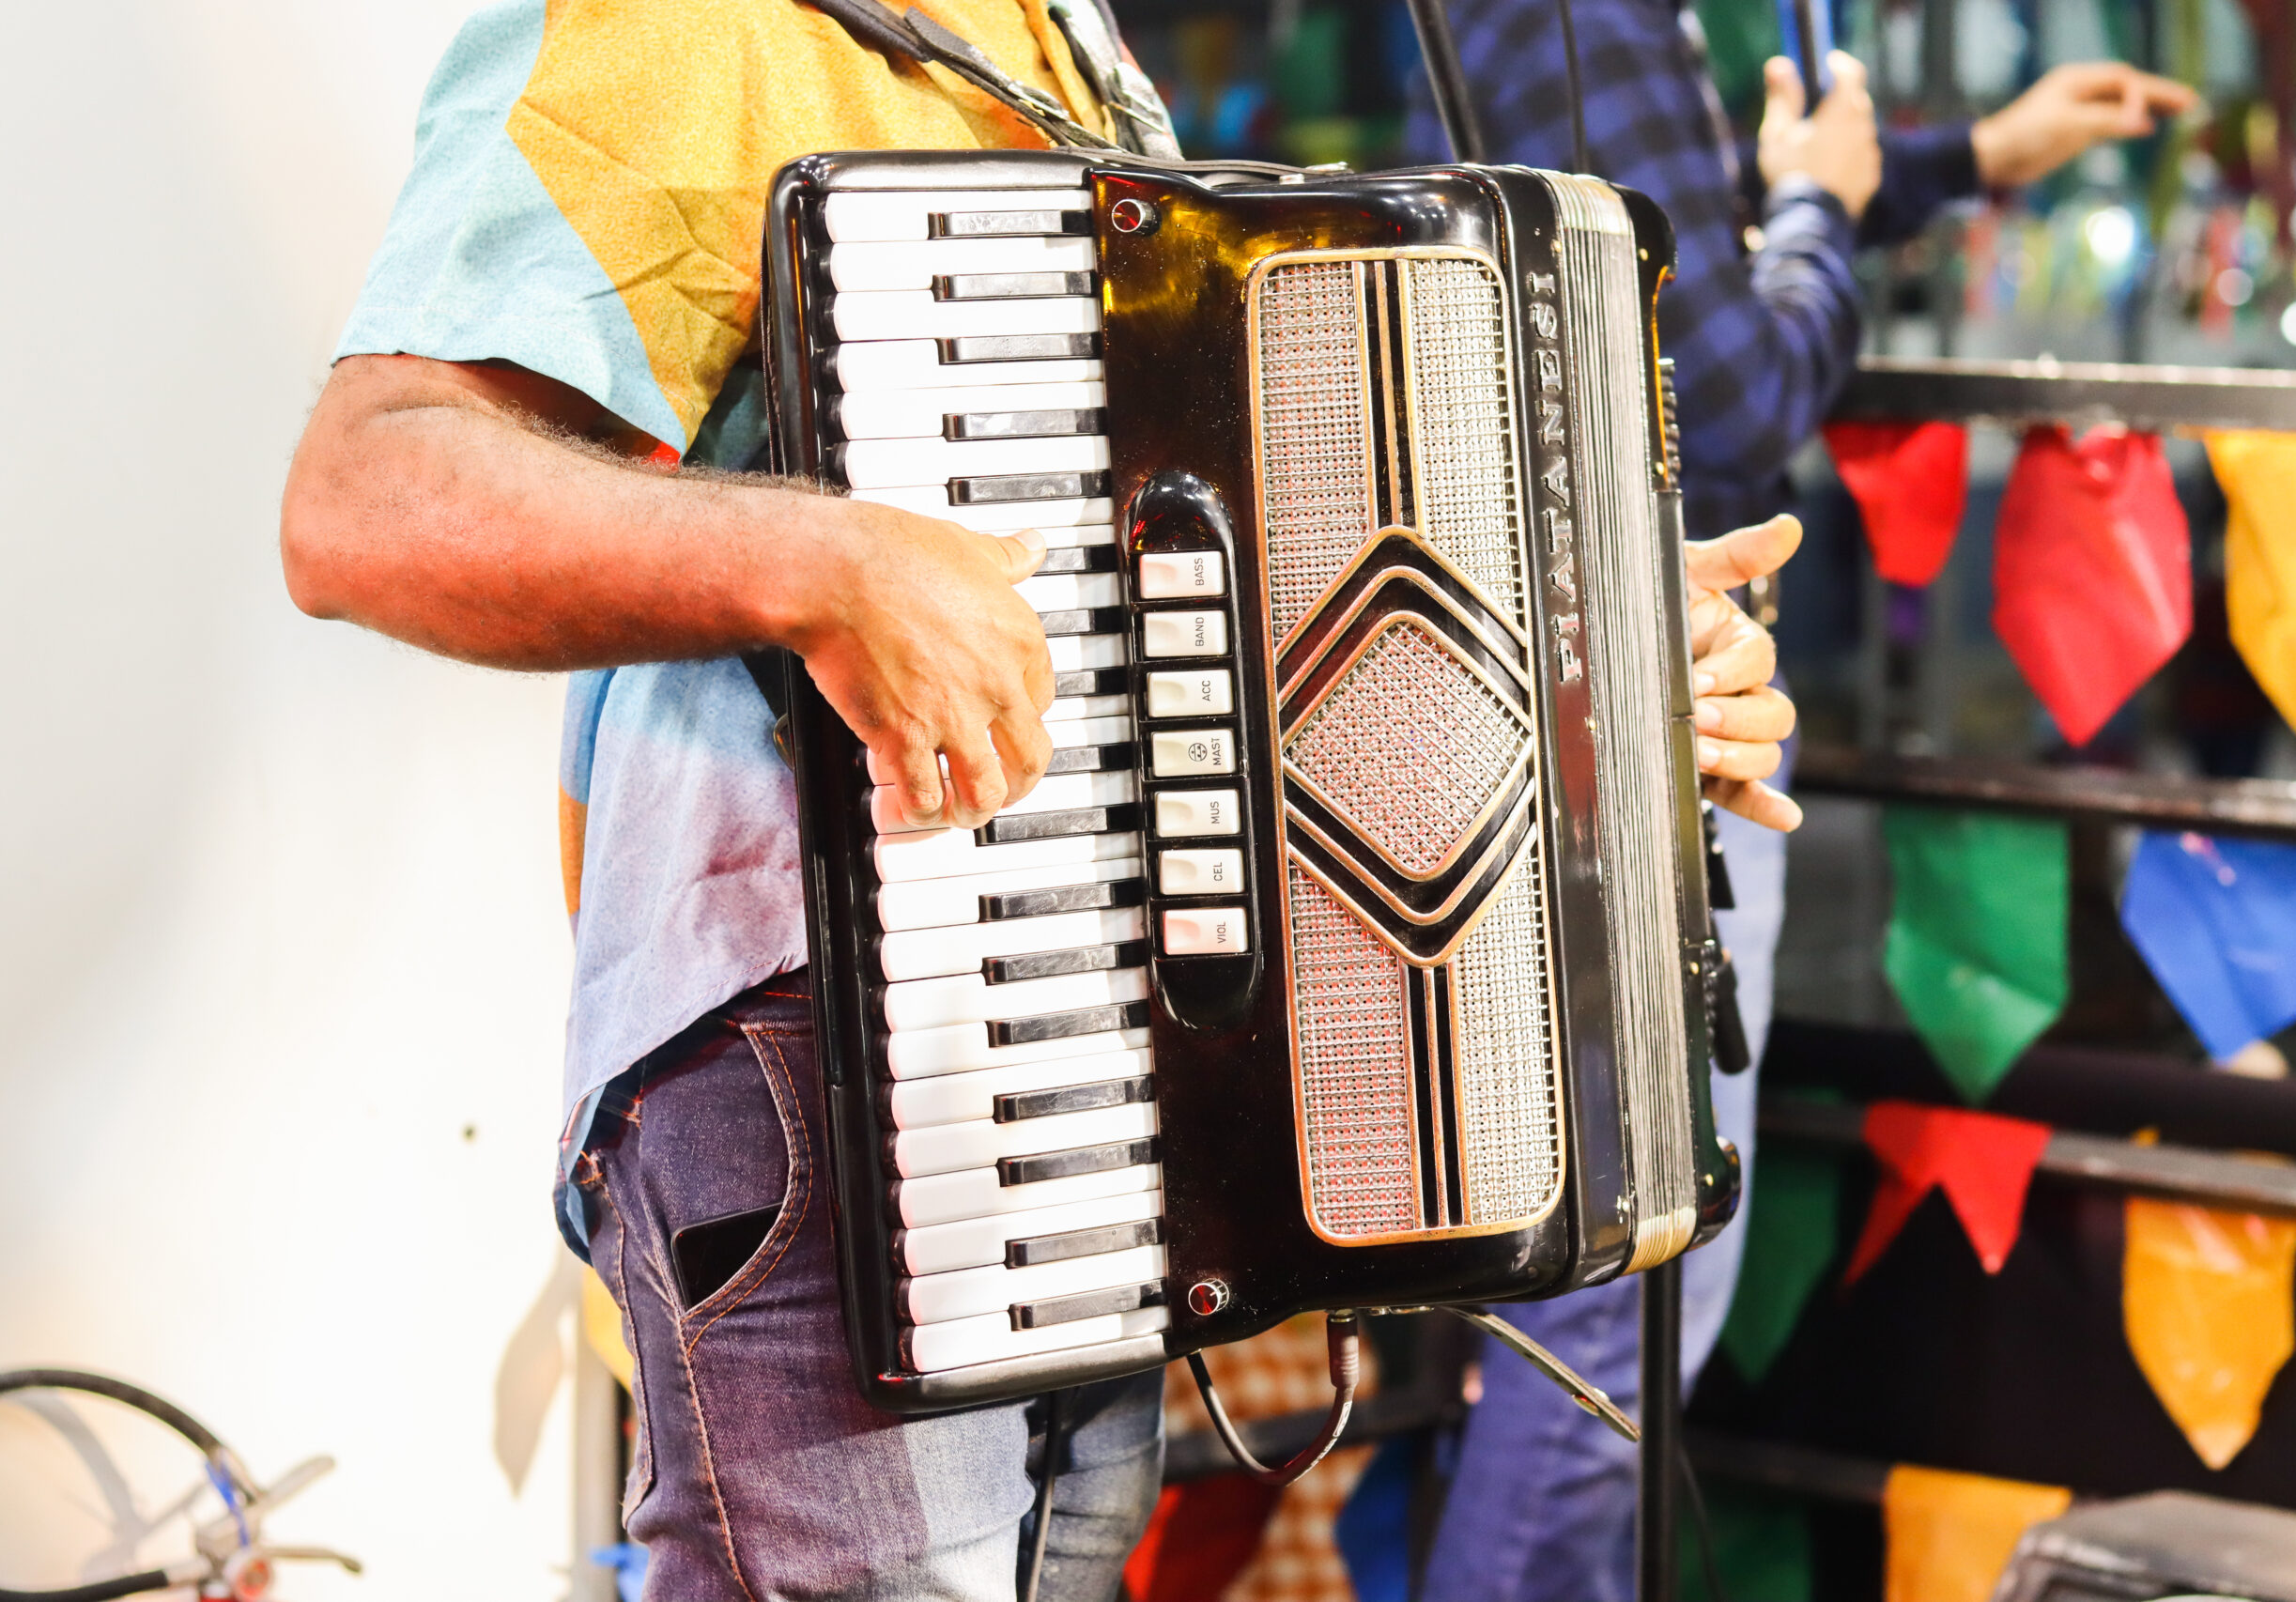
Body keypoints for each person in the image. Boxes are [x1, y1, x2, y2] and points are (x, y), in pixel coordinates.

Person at [279, 2, 1801, 1596]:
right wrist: (822, 562)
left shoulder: (1066, 38)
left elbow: (1212, 594)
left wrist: (1595, 673)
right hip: (816, 1067)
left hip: (1081, 1097)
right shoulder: (699, 23)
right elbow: (366, 492)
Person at [1404, 12, 2195, 1599]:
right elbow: (1724, 392)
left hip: (1584, 709)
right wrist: (1824, 207)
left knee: (1601, 1305)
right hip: (1624, 726)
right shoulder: (1585, 19)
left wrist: (1958, 161)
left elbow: (1672, 260)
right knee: (1619, 1312)